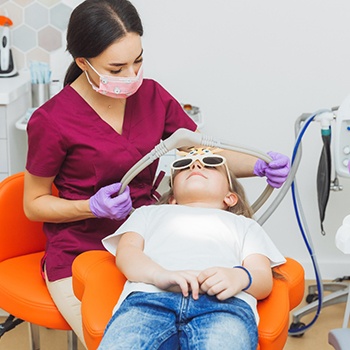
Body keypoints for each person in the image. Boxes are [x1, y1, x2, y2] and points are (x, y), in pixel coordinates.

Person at [23, 0, 289, 346]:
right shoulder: (51, 120)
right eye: (117, 69)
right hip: (82, 251)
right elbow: (33, 204)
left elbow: (200, 153)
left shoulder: (151, 95)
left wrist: (256, 166)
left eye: (138, 61)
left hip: (157, 245)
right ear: (83, 63)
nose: (132, 76)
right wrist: (92, 207)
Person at [99, 150, 286, 350]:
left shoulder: (245, 226)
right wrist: (158, 275)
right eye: (184, 165)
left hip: (223, 307)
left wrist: (238, 277)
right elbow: (127, 253)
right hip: (149, 300)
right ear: (172, 199)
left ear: (230, 197)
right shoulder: (148, 213)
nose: (195, 166)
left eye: (211, 164)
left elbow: (262, 277)